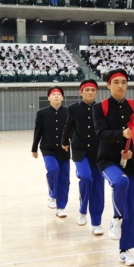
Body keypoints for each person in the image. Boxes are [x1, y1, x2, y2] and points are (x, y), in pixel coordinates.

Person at [93, 69, 134, 266]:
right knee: (120, 182)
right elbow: (101, 133)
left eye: (124, 82)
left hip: (130, 162)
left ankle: (125, 250)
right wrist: (122, 134)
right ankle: (116, 218)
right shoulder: (100, 107)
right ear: (108, 85)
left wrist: (132, 151)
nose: (121, 85)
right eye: (116, 82)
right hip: (108, 160)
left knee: (131, 206)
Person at [62, 79, 105, 235]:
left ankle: (96, 222)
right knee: (85, 178)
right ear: (81, 92)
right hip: (80, 151)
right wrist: (64, 141)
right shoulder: (73, 109)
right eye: (87, 90)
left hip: (98, 152)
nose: (90, 93)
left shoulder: (101, 108)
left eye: (93, 90)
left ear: (96, 92)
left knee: (98, 187)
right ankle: (82, 209)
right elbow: (68, 125)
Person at [31, 86, 70, 218]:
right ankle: (52, 194)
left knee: (64, 179)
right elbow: (38, 131)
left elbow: (73, 131)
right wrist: (34, 148)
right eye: (53, 94)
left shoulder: (68, 112)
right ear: (49, 98)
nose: (56, 96)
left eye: (59, 94)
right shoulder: (42, 113)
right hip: (47, 148)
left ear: (62, 97)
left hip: (64, 150)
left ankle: (61, 207)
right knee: (53, 170)